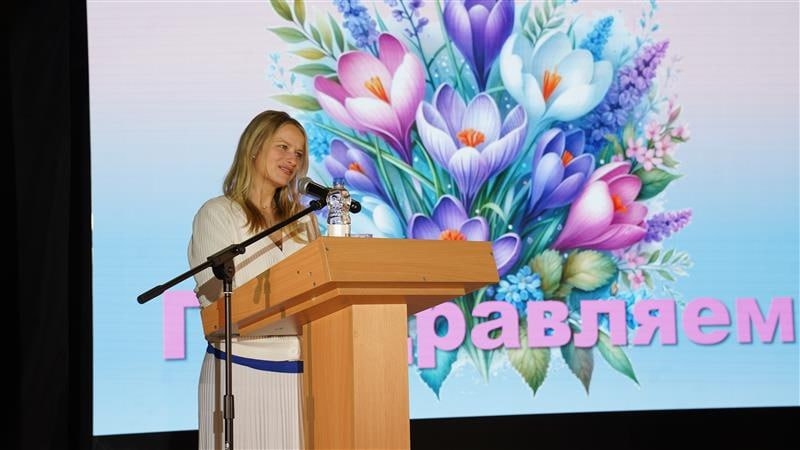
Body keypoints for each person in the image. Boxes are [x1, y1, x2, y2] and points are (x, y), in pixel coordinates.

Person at [187, 110, 319, 450]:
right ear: (254, 148)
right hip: (240, 372)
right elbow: (223, 296)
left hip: (304, 377)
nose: (292, 159)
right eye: (283, 147)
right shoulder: (217, 213)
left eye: (299, 153)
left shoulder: (303, 221)